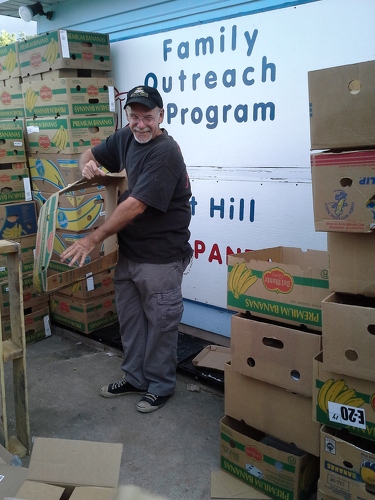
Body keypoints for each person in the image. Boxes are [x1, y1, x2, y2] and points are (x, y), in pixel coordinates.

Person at [60, 85, 193, 413]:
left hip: (161, 257)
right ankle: (135, 377)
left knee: (161, 324)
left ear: (161, 116)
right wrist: (87, 165)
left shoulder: (166, 152)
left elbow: (135, 205)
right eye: (134, 116)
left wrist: (93, 239)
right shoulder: (125, 137)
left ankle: (160, 385)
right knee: (131, 322)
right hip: (130, 253)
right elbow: (87, 154)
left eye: (148, 117)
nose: (140, 124)